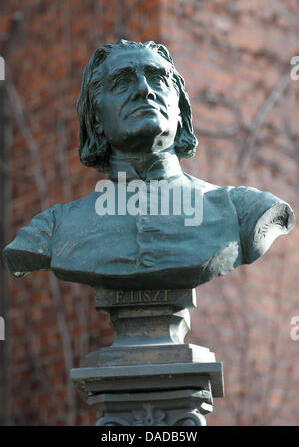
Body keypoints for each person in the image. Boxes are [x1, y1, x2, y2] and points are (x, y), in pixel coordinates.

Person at [3, 40, 295, 290]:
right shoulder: (52, 230)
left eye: (158, 79)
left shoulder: (244, 211)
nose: (144, 90)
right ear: (96, 119)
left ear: (180, 110)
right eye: (122, 82)